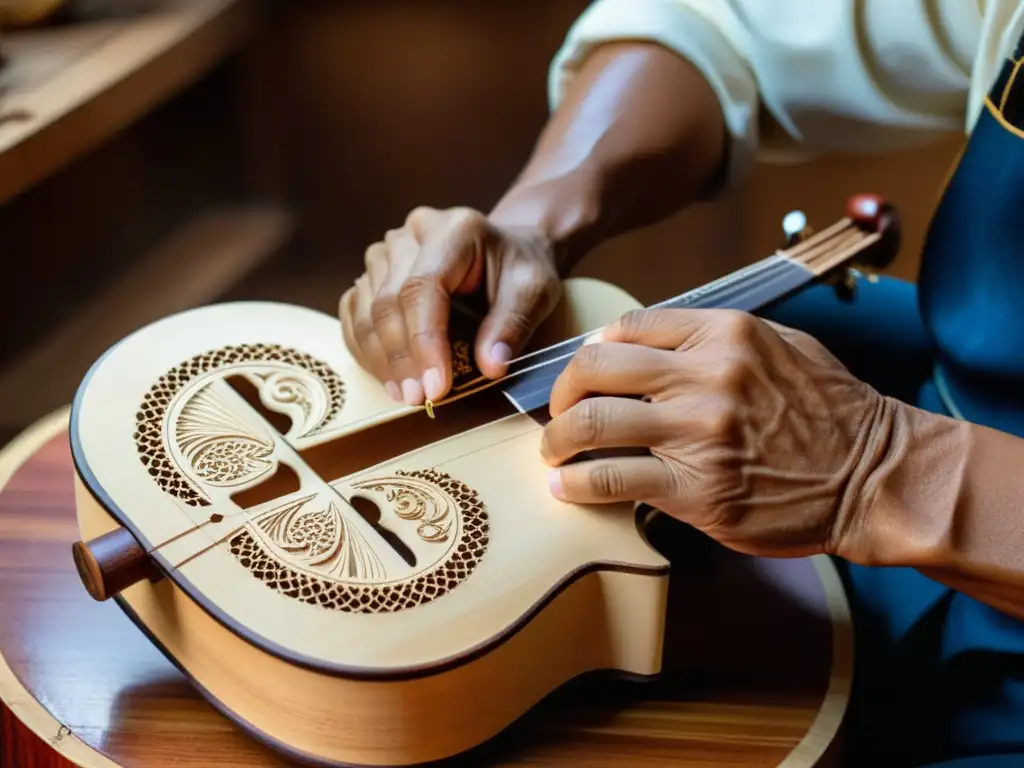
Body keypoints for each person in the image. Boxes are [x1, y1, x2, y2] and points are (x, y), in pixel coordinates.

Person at [338, 2, 1024, 766]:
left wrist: (883, 469)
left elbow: (888, 467)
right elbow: (730, 27)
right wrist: (536, 219)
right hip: (954, 396)